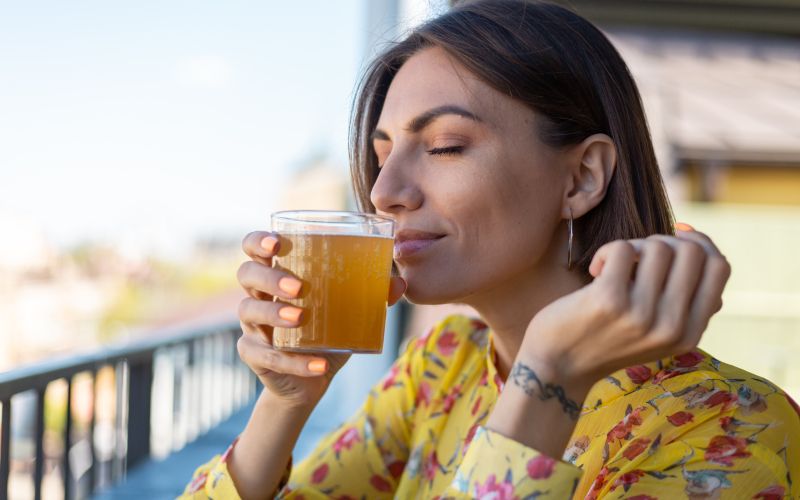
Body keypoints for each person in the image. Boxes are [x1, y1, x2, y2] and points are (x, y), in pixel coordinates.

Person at [181, 1, 800, 498]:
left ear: (582, 178)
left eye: (446, 145)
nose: (385, 192)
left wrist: (549, 377)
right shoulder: (441, 370)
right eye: (381, 154)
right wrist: (286, 401)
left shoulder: (727, 428)